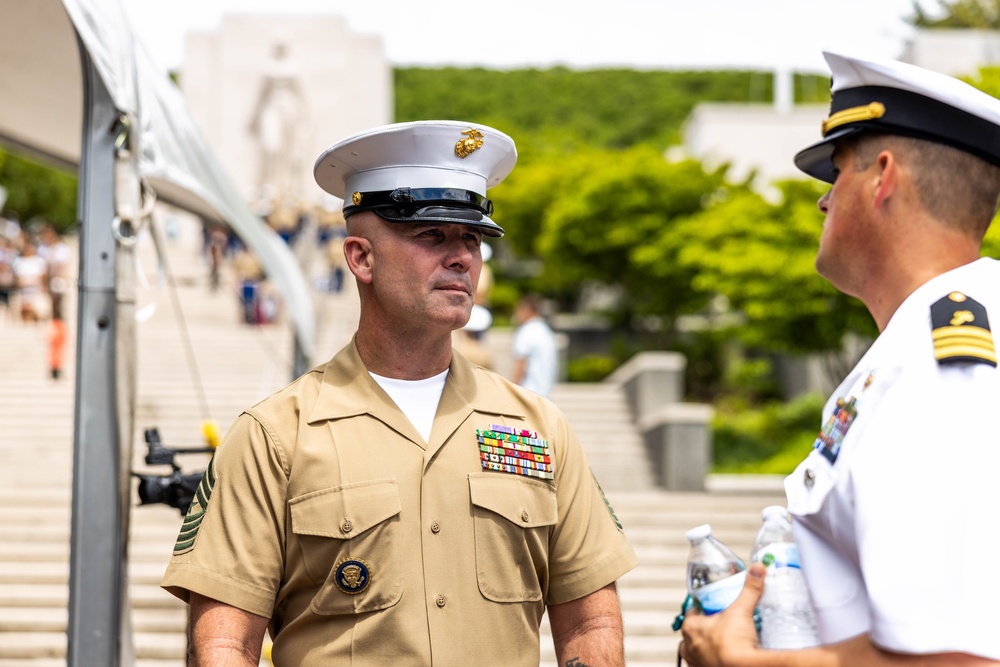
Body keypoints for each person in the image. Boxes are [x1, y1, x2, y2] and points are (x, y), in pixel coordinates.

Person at [161, 120, 638, 666]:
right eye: (431, 236)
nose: (461, 257)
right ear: (361, 258)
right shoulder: (275, 435)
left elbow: (591, 621)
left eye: (472, 239)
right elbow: (223, 644)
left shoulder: (537, 428)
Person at [678, 52, 1000, 667]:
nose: (822, 202)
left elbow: (961, 658)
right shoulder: (933, 340)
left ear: (883, 177)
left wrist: (738, 659)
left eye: (835, 173)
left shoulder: (943, 366)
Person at [511, 292, 559, 397]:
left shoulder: (526, 331)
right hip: (545, 395)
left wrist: (512, 392)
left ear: (527, 309)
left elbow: (521, 365)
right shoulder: (546, 331)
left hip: (528, 393)